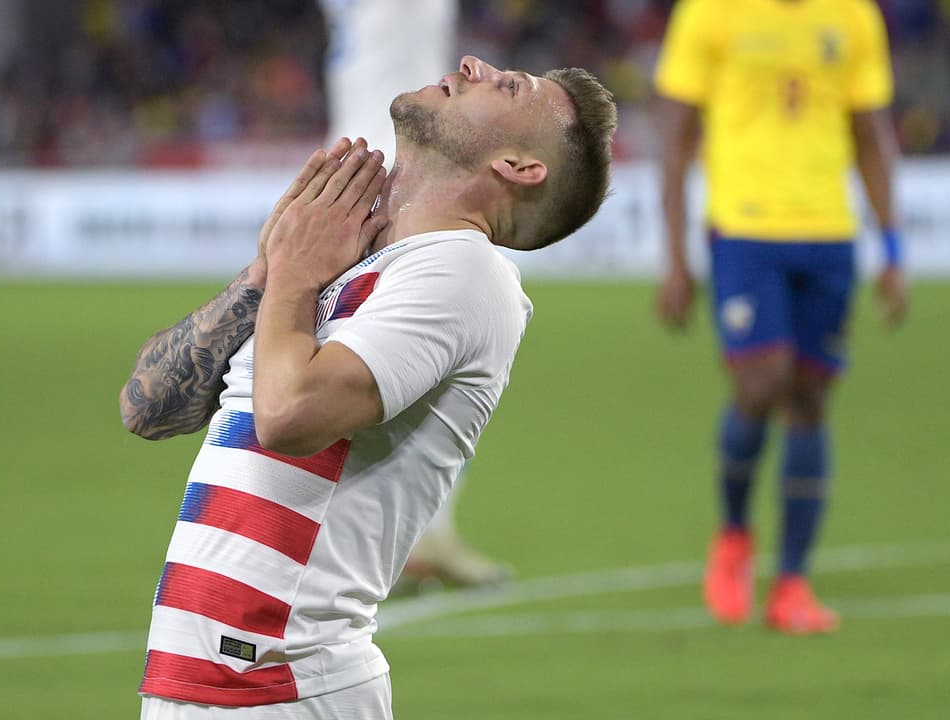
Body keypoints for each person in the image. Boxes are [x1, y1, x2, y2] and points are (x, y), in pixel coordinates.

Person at [121, 55, 615, 718]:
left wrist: (293, 274)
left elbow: (288, 415)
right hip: (209, 681)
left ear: (519, 166)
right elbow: (147, 407)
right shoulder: (346, 260)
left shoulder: (464, 273)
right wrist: (266, 273)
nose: (473, 63)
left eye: (508, 86)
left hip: (281, 685)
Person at [653, 0, 909, 634]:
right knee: (760, 383)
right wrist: (676, 258)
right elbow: (677, 138)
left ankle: (792, 582)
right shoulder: (710, 14)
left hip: (829, 233)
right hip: (744, 228)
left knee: (812, 398)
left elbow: (871, 135)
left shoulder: (852, 17)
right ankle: (735, 533)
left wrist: (893, 248)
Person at [317, 0, 508, 592]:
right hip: (393, 169)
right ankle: (401, 540)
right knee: (429, 360)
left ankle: (417, 537)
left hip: (366, 159)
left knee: (415, 364)